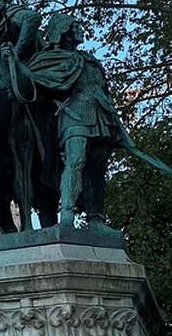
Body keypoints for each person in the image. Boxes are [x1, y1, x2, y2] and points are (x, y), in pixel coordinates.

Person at [31, 13, 171, 230]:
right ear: (64, 32)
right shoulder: (53, 59)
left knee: (96, 168)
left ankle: (96, 219)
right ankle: (67, 215)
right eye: (74, 26)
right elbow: (34, 82)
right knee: (74, 163)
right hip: (75, 115)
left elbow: (103, 89)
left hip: (101, 116)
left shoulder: (89, 59)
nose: (79, 29)